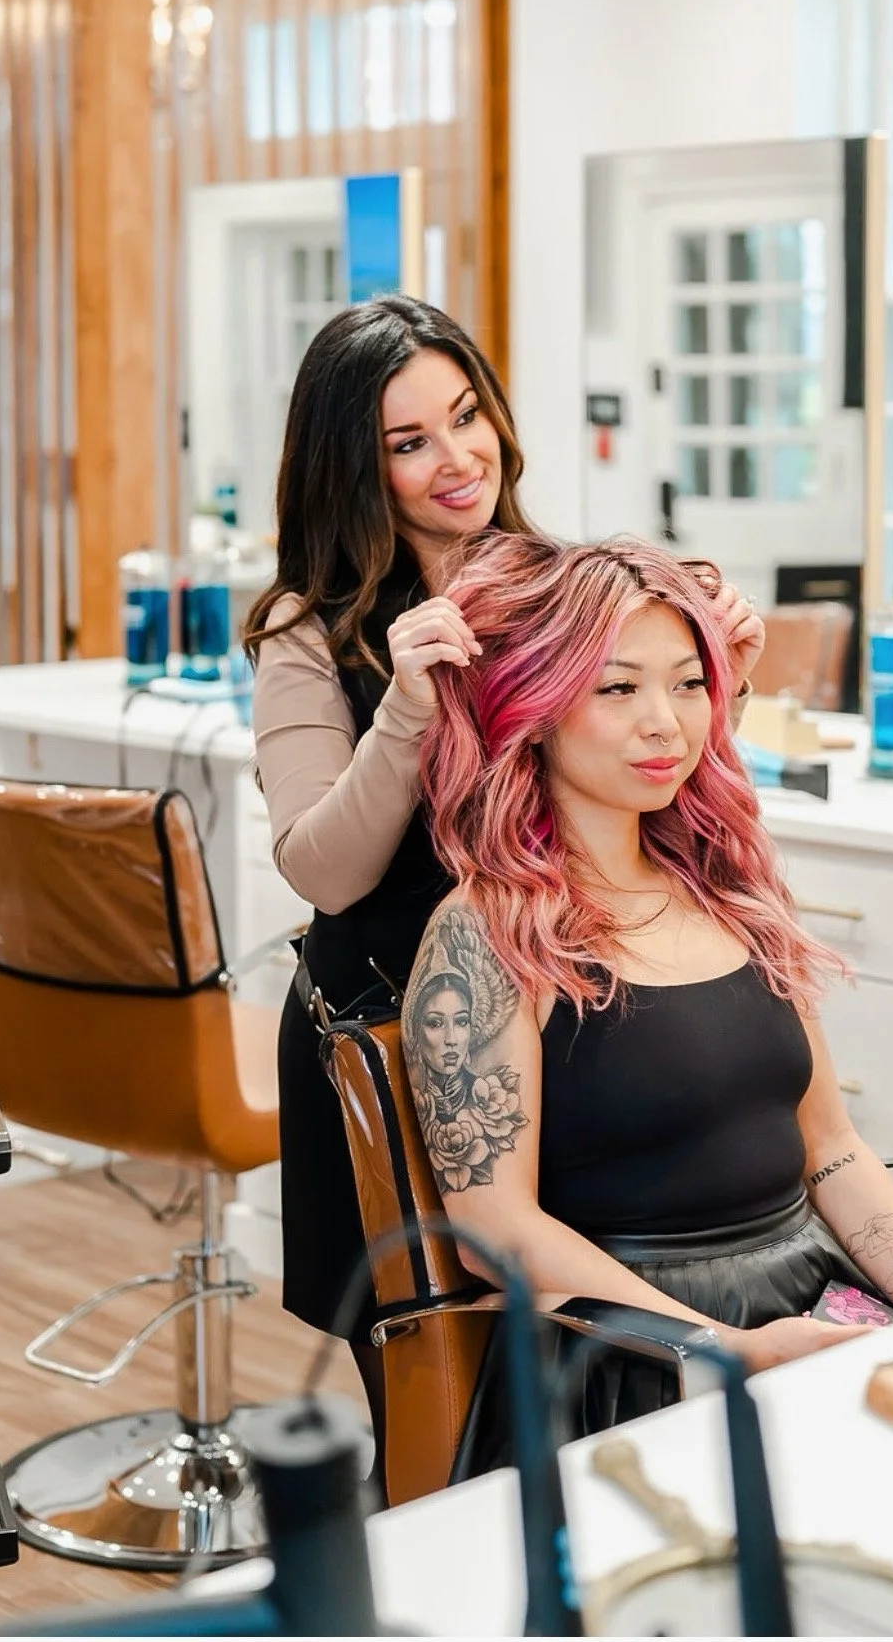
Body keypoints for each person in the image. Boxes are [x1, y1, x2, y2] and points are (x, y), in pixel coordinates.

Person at [245, 297, 766, 1387]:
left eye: (467, 416)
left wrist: (718, 683)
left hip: (560, 1044)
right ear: (352, 465)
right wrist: (407, 707)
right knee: (440, 1387)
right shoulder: (310, 629)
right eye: (408, 441)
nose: (457, 457)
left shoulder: (555, 590)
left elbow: (634, 803)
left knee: (609, 1362)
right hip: (388, 1042)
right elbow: (322, 869)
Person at [399, 531, 893, 1456]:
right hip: (633, 1350)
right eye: (618, 688)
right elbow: (491, 1229)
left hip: (815, 1311)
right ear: (537, 709)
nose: (665, 722)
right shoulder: (489, 929)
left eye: (690, 683)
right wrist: (726, 1350)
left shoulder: (729, 889)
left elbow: (828, 1146)